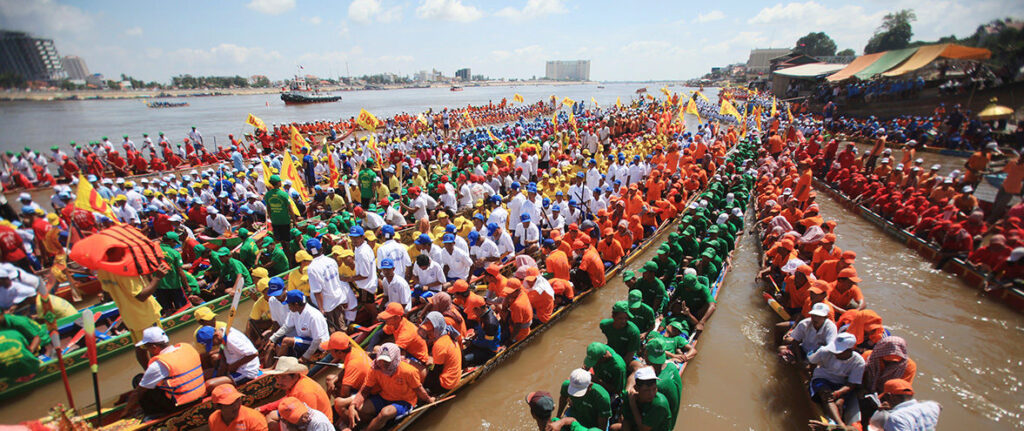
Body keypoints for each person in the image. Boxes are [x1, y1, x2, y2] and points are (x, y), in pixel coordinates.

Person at [349, 343, 434, 431]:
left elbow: (418, 389)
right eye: (380, 360)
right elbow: (365, 390)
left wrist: (429, 399)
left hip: (404, 401)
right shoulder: (375, 369)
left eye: (386, 362)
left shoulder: (408, 371)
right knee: (361, 409)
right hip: (384, 397)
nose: (382, 364)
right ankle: (379, 424)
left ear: (395, 359)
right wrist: (353, 405)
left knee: (385, 413)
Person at [126, 327, 206, 417]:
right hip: (199, 395)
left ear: (154, 347)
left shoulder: (159, 364)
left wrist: (125, 411)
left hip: (180, 404)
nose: (147, 350)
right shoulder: (187, 348)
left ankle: (153, 413)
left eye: (146, 347)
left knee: (138, 379)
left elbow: (138, 392)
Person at [808, 333, 865, 427]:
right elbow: (812, 363)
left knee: (839, 404)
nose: (835, 353)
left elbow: (851, 384)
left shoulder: (858, 362)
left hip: (841, 384)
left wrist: (838, 393)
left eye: (839, 351)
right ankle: (840, 424)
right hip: (823, 378)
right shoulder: (824, 351)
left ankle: (834, 422)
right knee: (826, 396)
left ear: (849, 350)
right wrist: (812, 377)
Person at [262, 356, 333, 429]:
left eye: (283, 377)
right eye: (277, 377)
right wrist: (265, 408)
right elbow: (288, 399)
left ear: (295, 376)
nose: (279, 382)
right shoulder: (295, 383)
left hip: (317, 427)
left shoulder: (305, 391)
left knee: (272, 419)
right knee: (272, 415)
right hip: (306, 420)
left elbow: (306, 420)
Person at [320, 332, 371, 427]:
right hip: (361, 385)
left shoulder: (353, 363)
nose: (329, 352)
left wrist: (336, 396)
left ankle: (352, 424)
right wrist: (334, 380)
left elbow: (345, 393)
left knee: (338, 403)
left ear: (339, 352)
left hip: (367, 391)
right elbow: (345, 370)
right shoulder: (353, 352)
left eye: (330, 350)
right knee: (330, 379)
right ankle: (343, 413)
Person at [265, 291, 329, 364]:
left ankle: (277, 367)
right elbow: (286, 327)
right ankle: (277, 365)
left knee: (286, 341)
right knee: (279, 343)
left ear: (296, 304)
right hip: (307, 341)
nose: (288, 307)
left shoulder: (313, 316)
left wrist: (305, 357)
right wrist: (273, 338)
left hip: (319, 345)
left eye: (289, 305)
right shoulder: (294, 312)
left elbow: (317, 340)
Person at [194, 325, 261, 389]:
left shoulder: (231, 339)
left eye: (212, 343)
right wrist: (223, 362)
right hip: (231, 366)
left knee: (209, 385)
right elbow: (223, 348)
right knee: (203, 375)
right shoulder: (222, 333)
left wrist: (234, 366)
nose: (213, 345)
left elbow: (254, 353)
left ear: (216, 335)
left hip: (245, 372)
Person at [615, 366, 672, 431]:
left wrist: (632, 404)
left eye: (654, 389)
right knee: (613, 428)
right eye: (646, 390)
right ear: (636, 388)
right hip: (636, 426)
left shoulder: (659, 404)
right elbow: (626, 420)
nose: (651, 394)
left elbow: (643, 429)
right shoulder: (629, 396)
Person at [418, 311, 462, 393]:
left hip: (446, 383)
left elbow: (436, 371)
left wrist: (425, 385)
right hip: (453, 377)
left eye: (431, 331)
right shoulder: (448, 334)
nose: (428, 334)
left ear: (437, 329)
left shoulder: (439, 344)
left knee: (419, 368)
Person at [264, 175, 296, 246]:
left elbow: (268, 209)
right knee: (287, 240)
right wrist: (294, 220)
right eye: (280, 181)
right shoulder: (283, 194)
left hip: (275, 221)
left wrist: (272, 219)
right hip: (284, 220)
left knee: (280, 240)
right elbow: (290, 209)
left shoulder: (268, 195)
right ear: (278, 183)